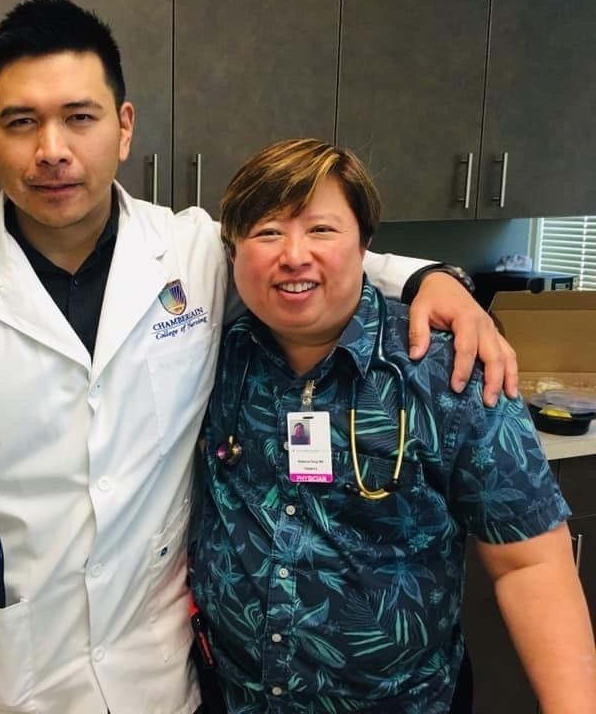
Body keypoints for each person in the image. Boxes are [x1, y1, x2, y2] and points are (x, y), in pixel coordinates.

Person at [0, 0, 519, 714]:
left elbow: (303, 265)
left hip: (158, 668)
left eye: (80, 117)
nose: (52, 149)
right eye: (22, 122)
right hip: (7, 665)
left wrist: (426, 278)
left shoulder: (191, 252)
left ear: (123, 127)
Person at [190, 138, 596, 714]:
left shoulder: (445, 372)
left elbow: (530, 561)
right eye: (267, 232)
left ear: (365, 245)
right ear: (233, 252)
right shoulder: (209, 359)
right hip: (233, 698)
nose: (294, 255)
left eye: (322, 231)